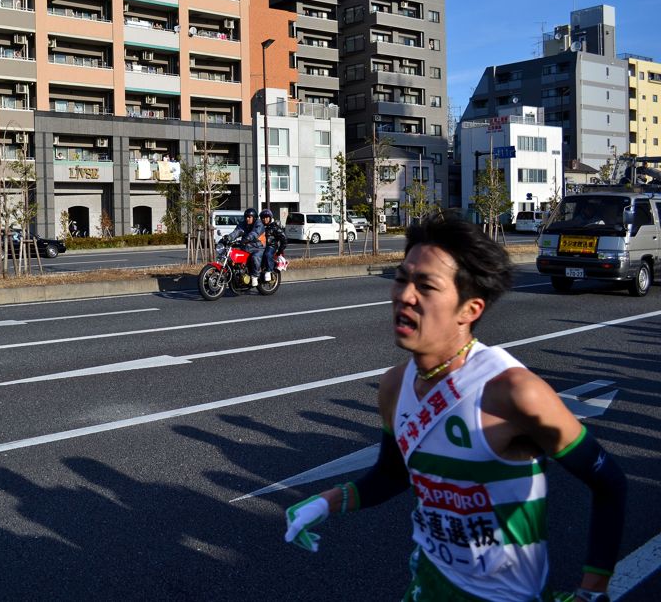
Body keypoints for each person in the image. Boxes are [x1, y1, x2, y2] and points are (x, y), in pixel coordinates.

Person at [284, 214, 626, 602]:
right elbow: (392, 475)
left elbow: (609, 482)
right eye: (401, 278)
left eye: (425, 285)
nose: (404, 296)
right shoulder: (394, 385)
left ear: (470, 310)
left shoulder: (512, 391)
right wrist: (328, 502)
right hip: (428, 585)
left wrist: (593, 590)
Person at [224, 207, 265, 286]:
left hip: (258, 247)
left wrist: (247, 238)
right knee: (236, 259)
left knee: (255, 258)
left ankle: (255, 276)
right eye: (246, 217)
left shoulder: (259, 224)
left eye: (249, 217)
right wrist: (229, 237)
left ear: (254, 217)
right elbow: (237, 231)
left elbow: (255, 233)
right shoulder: (243, 224)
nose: (247, 219)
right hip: (246, 246)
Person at [259, 209, 287, 283]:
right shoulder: (260, 227)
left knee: (267, 254)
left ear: (270, 218)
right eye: (263, 218)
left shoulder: (275, 227)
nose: (265, 219)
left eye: (267, 217)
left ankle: (269, 271)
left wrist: (280, 250)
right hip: (261, 246)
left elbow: (284, 239)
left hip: (271, 246)